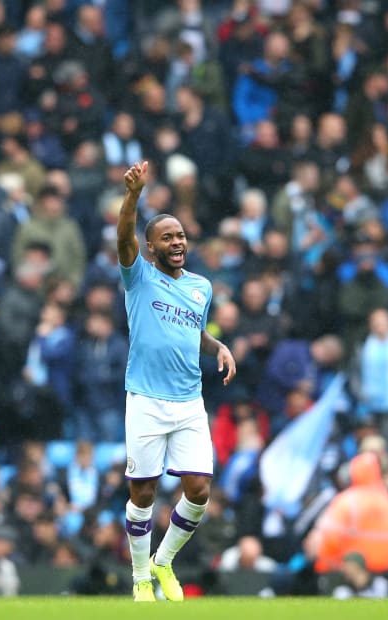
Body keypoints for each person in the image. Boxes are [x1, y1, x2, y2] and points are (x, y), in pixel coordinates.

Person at [117, 161, 237, 602]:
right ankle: (139, 579)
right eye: (167, 237)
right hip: (146, 397)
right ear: (150, 248)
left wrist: (218, 347)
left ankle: (163, 561)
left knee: (200, 490)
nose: (178, 241)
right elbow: (122, 236)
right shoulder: (138, 277)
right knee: (143, 491)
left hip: (189, 400)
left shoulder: (201, 287)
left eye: (181, 235)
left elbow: (193, 331)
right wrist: (133, 195)